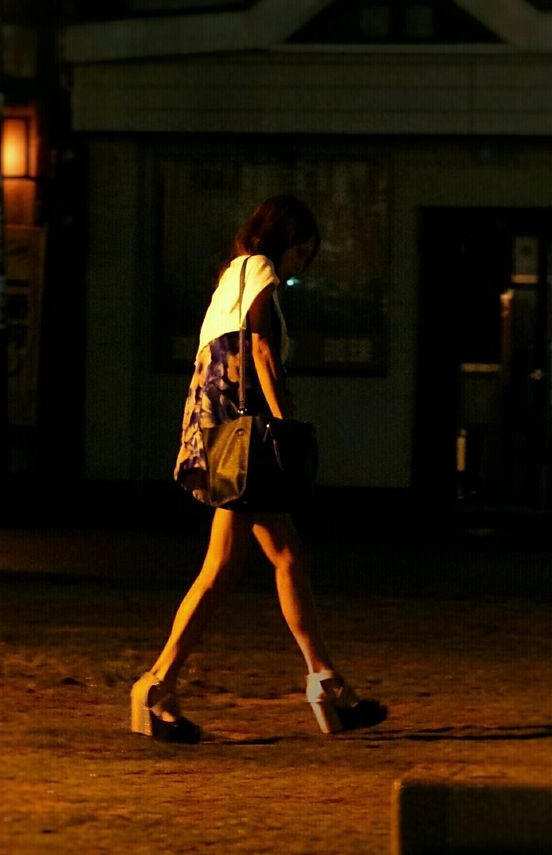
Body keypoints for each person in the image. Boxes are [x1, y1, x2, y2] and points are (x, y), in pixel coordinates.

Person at [131, 195, 387, 744]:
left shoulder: (231, 275)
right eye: (304, 253)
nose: (300, 266)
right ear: (286, 241)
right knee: (259, 562)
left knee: (248, 563)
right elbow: (262, 348)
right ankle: (162, 686)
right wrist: (283, 424)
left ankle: (320, 683)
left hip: (221, 430)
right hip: (245, 435)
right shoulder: (259, 269)